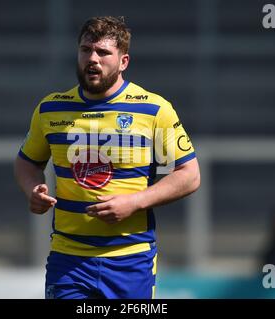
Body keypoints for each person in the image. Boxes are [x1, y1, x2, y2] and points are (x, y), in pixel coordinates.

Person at [14, 16, 200, 299]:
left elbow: (189, 174)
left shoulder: (152, 110)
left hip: (129, 258)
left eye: (103, 52)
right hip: (68, 258)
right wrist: (33, 190)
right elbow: (27, 162)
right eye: (86, 50)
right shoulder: (51, 108)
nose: (93, 59)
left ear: (123, 61)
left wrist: (134, 202)